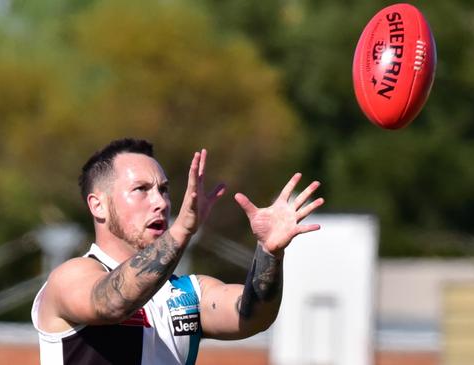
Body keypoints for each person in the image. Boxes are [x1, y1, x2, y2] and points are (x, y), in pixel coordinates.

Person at [31, 138, 324, 365]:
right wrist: (181, 230)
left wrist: (269, 252)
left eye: (164, 189)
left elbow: (254, 317)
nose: (160, 202)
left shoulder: (189, 294)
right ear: (98, 205)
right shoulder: (70, 277)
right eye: (141, 189)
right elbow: (112, 303)